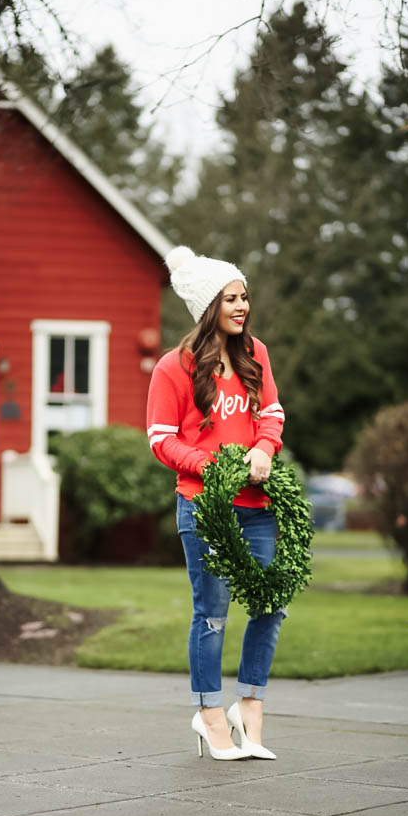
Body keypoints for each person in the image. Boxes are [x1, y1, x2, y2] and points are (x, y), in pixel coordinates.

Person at [147, 245, 286, 761]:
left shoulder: (257, 355)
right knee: (211, 614)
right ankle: (209, 714)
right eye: (230, 298)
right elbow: (161, 438)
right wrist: (214, 467)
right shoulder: (173, 367)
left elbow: (271, 412)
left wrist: (264, 447)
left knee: (271, 604)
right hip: (204, 507)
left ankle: (249, 706)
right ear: (209, 306)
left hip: (259, 506)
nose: (241, 306)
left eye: (244, 296)